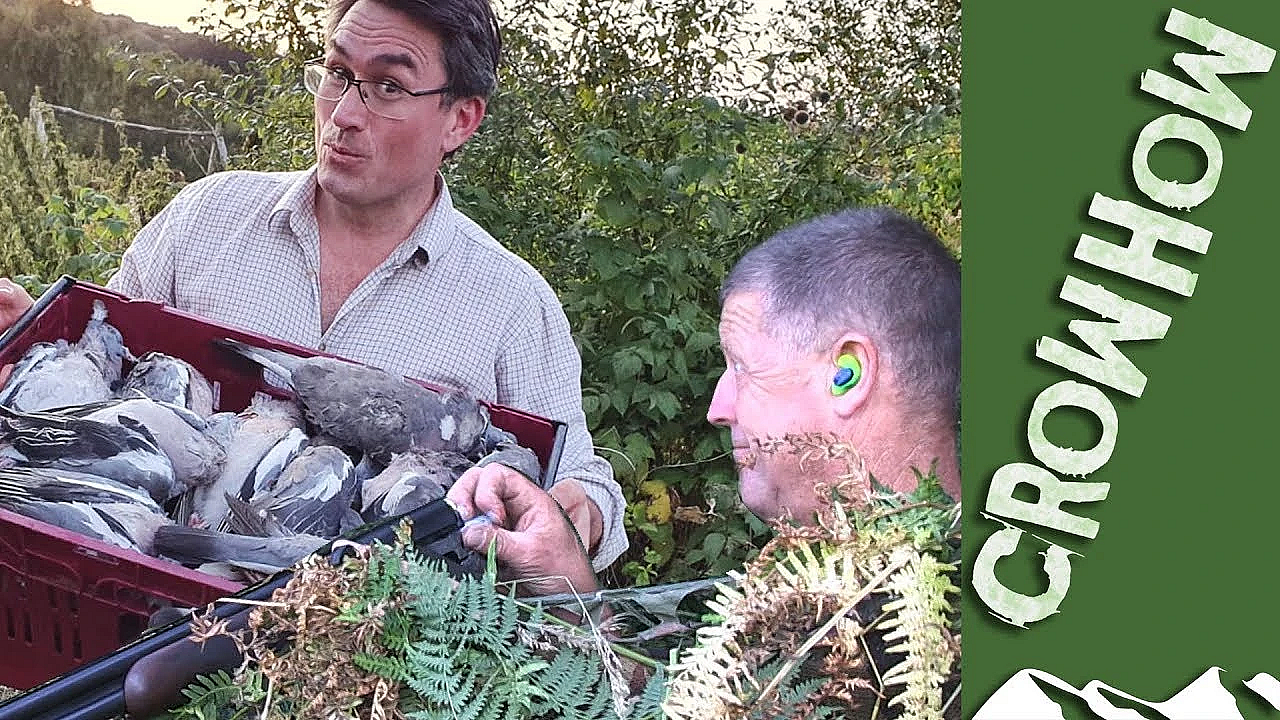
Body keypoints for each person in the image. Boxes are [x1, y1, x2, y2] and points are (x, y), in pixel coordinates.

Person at [0, 0, 628, 571]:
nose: (346, 114)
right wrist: (34, 347)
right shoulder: (205, 218)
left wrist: (576, 513)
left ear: (459, 120)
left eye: (388, 85)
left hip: (359, 659)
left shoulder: (511, 304)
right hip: (142, 615)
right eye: (336, 73)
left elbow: (578, 476)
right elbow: (109, 365)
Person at [448, 205, 960, 594]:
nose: (719, 407)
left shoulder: (943, 629)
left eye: (741, 366)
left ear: (847, 373)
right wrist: (568, 587)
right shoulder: (861, 587)